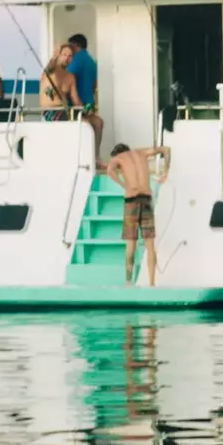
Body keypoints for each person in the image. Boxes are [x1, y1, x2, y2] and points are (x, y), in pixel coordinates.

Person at [106, 143, 171, 287]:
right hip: (146, 200)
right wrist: (166, 171)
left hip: (131, 202)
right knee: (150, 245)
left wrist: (124, 185)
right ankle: (152, 284)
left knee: (130, 246)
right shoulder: (141, 152)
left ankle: (128, 282)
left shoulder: (117, 158)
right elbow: (166, 149)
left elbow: (110, 171)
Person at [67, 33, 105, 167]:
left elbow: (68, 79)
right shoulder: (91, 60)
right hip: (89, 103)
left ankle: (82, 158)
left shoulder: (77, 59)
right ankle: (96, 156)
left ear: (77, 45)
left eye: (70, 46)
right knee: (98, 124)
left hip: (78, 104)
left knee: (84, 128)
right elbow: (95, 84)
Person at [40, 44, 78, 121]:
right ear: (59, 56)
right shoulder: (50, 71)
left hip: (66, 111)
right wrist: (53, 58)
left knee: (96, 122)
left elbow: (75, 99)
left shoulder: (71, 77)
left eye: (70, 56)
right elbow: (50, 68)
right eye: (64, 54)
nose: (67, 58)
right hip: (50, 112)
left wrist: (84, 111)